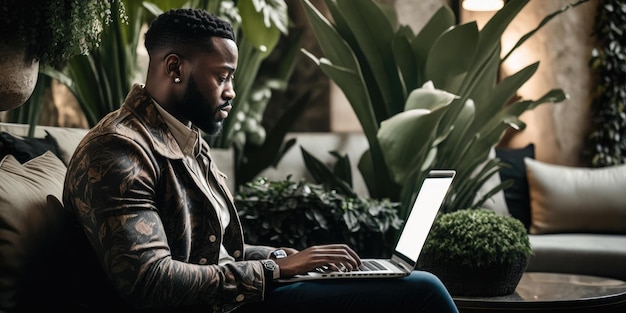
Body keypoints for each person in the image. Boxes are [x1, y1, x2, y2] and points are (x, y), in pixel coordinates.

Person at [62, 7, 459, 313]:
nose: (232, 91)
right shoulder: (117, 150)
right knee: (423, 290)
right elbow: (149, 281)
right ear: (174, 68)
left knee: (406, 282)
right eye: (223, 76)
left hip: (233, 299)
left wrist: (283, 257)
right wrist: (277, 271)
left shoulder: (185, 139)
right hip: (216, 307)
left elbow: (212, 254)